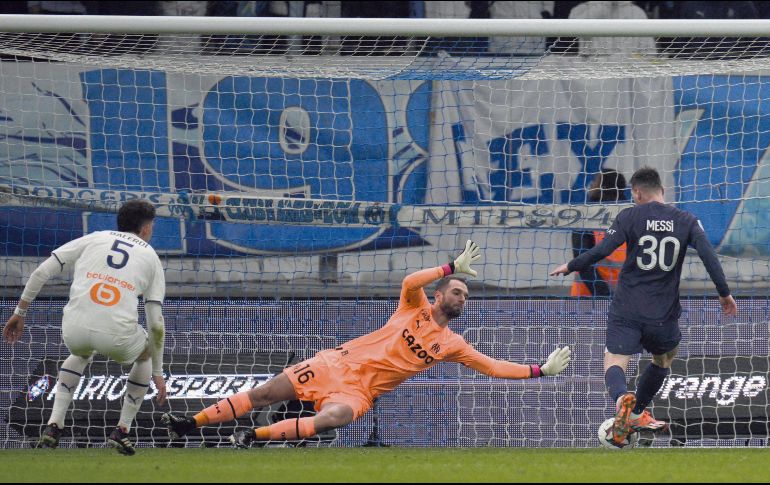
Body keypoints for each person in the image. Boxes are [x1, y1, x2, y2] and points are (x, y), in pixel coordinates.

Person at [162, 240, 572, 447]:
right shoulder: (414, 307)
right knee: (266, 392)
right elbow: (410, 281)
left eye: (466, 294)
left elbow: (493, 366)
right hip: (334, 364)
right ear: (440, 294)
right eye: (457, 290)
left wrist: (539, 370)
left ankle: (255, 438)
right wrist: (448, 266)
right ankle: (190, 424)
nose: (462, 297)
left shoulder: (452, 344)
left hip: (359, 391)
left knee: (332, 420)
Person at [550, 167, 737, 447]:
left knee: (614, 360)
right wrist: (724, 293)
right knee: (664, 358)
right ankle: (637, 412)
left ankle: (621, 400)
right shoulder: (687, 220)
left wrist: (572, 265)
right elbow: (709, 256)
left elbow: (601, 250)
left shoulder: (630, 215)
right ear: (662, 189)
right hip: (663, 312)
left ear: (637, 192)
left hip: (627, 307)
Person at [3, 199, 168, 455]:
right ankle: (122, 430)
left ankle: (53, 425)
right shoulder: (150, 256)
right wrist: (157, 371)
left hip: (74, 330)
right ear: (146, 228)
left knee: (80, 353)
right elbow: (156, 324)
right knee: (145, 353)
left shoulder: (95, 237)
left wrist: (19, 313)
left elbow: (40, 273)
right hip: (117, 337)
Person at [571, 170, 629, 297]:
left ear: (603, 187)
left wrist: (604, 296)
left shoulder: (585, 216)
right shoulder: (632, 214)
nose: (591, 185)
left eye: (595, 181)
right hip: (624, 297)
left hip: (588, 299)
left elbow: (582, 263)